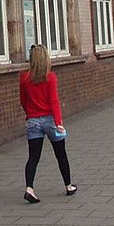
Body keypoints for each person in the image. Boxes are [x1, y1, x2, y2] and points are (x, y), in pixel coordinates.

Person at [20, 44, 77, 203]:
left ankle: (29, 189)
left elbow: (23, 101)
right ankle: (68, 185)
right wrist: (58, 122)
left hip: (33, 121)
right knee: (61, 154)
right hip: (50, 121)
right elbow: (54, 101)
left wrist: (30, 114)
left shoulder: (24, 78)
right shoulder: (50, 77)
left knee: (33, 157)